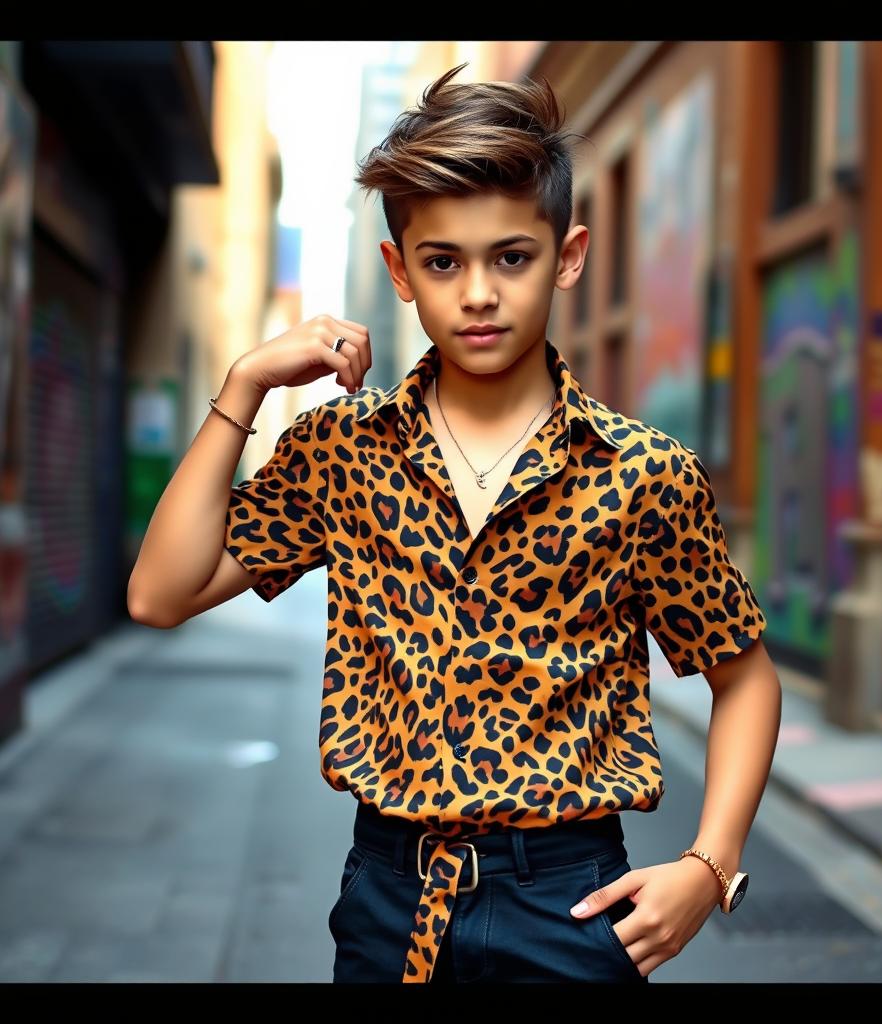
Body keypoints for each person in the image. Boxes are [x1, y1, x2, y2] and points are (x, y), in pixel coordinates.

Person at [127, 61, 781, 984]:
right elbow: (160, 592)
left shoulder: (643, 475)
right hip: (390, 903)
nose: (478, 293)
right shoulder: (343, 453)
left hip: (570, 901)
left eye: (511, 256)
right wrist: (243, 387)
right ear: (400, 270)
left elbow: (745, 678)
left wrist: (708, 868)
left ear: (569, 255)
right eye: (444, 262)